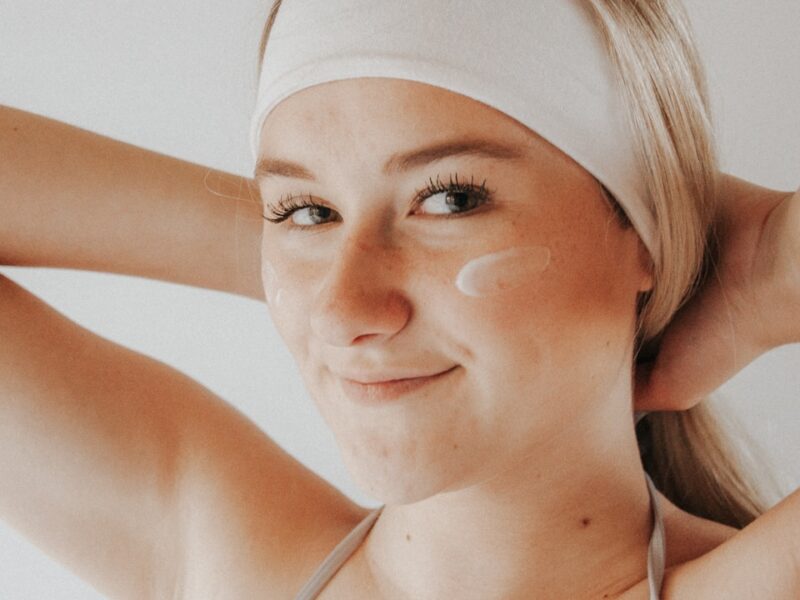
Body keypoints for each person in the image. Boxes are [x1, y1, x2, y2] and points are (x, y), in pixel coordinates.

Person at [0, 1, 798, 599]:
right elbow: (336, 298)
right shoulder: (217, 554)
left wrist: (768, 256)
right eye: (300, 210)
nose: (347, 311)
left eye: (450, 200)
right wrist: (307, 268)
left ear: (643, 234)